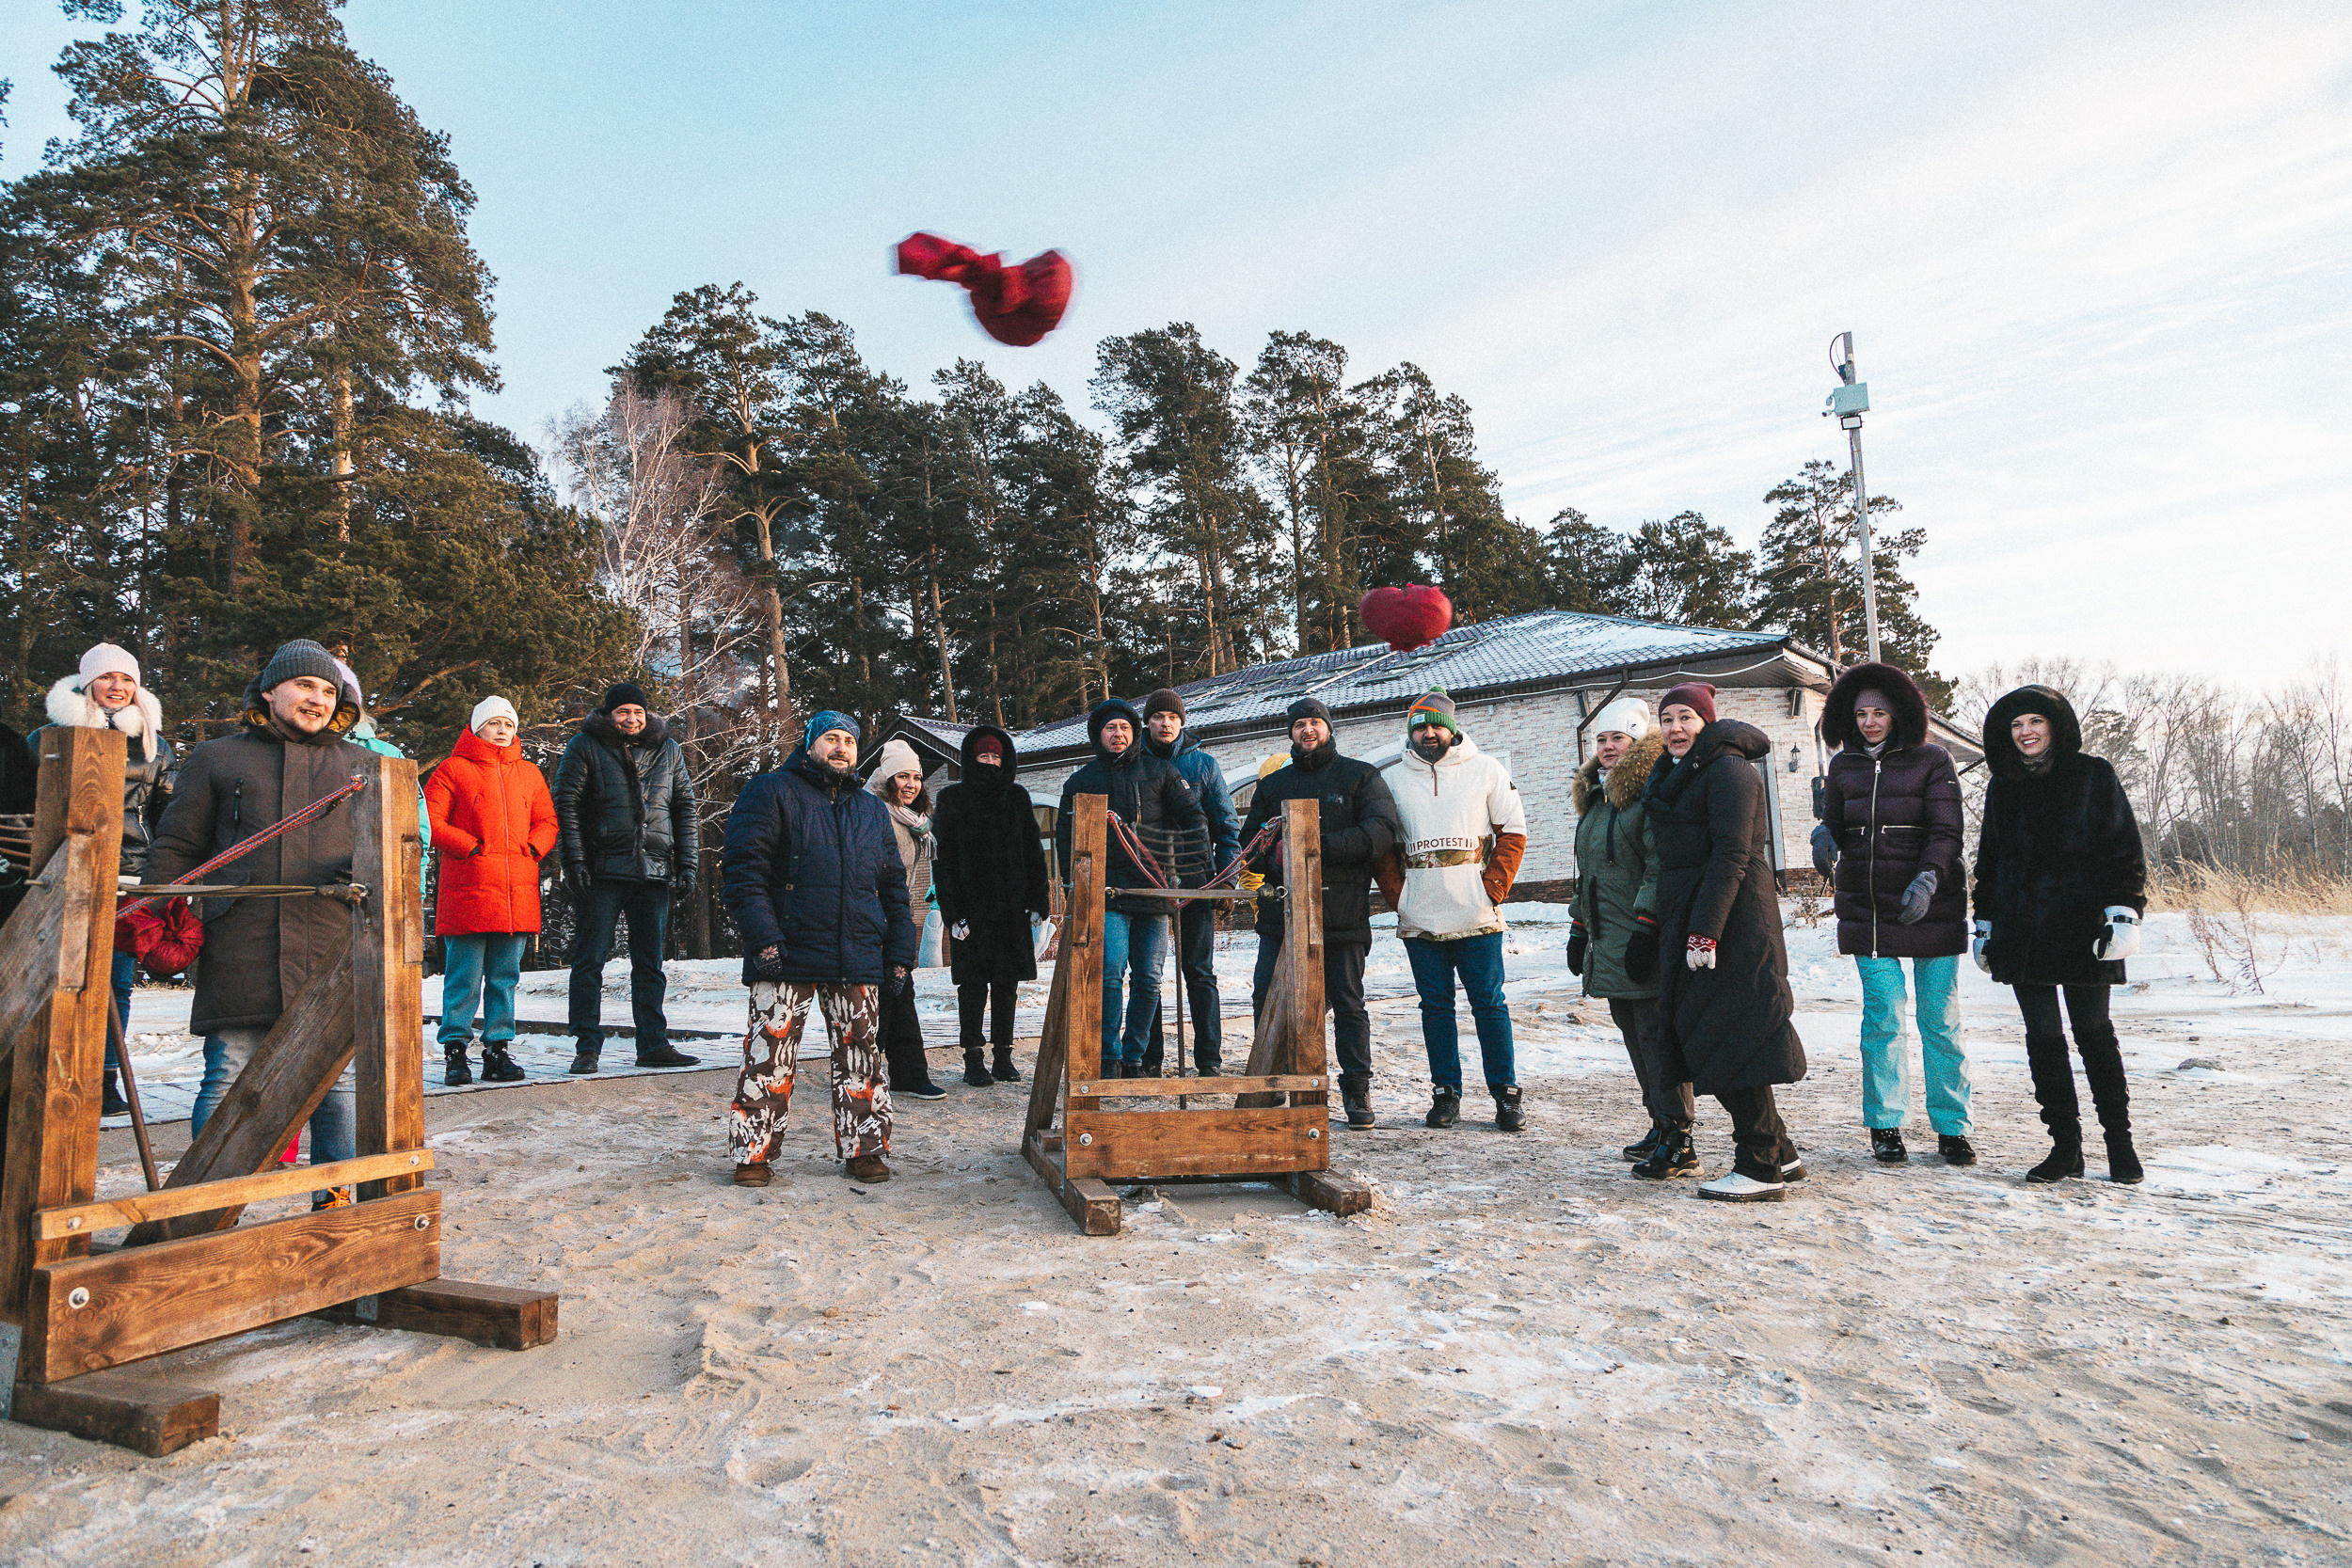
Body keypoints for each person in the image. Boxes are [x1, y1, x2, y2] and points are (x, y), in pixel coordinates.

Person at [146, 640, 366, 1203]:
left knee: (335, 1080)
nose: (317, 698)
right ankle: (207, 1205)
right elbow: (178, 842)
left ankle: (335, 1202)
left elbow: (394, 854)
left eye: (327, 689)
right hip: (242, 936)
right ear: (269, 691)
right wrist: (152, 913)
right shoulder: (218, 758)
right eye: (304, 685)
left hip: (330, 939)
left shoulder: (363, 767)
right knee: (229, 1072)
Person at [721, 710, 916, 1186]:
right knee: (769, 1056)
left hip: (858, 952)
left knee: (863, 1057)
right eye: (831, 738)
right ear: (810, 744)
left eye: (849, 741)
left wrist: (899, 951)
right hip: (786, 950)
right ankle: (753, 1154)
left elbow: (893, 887)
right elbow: (744, 872)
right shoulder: (770, 791)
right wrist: (763, 938)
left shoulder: (870, 810)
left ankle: (864, 1150)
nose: (841, 748)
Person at [1636, 682, 1807, 1200]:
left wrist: (1705, 932)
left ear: (1707, 722)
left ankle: (1758, 1167)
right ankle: (1782, 1152)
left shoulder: (1730, 771)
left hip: (1733, 922)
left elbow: (1732, 855)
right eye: (1666, 720)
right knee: (1715, 1032)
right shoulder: (1674, 774)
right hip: (1692, 913)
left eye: (1686, 717)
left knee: (1735, 1038)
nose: (1675, 728)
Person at [1973, 685, 2148, 1185]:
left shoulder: (2093, 775)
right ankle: (2065, 1147)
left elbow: (2124, 850)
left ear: (2055, 726)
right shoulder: (2002, 786)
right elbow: (1991, 862)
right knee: (2044, 1039)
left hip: (2084, 929)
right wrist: (1985, 925)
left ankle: (2120, 1144)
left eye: (2034, 722)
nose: (2025, 732)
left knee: (2094, 1035)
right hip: (2022, 930)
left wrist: (2123, 915)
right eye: (2015, 725)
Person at [1812, 662, 1975, 1167]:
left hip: (1931, 905)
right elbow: (1835, 823)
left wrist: (1928, 878)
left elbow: (1947, 832)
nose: (1870, 721)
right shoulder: (1843, 767)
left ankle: (1952, 1128)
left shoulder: (1934, 760)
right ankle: (1885, 1125)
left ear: (1899, 713)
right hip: (1868, 910)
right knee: (1882, 1019)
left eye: (1880, 711)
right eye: (1861, 712)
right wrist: (1825, 836)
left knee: (1939, 1021)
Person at [1239, 698, 1402, 1130]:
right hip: (1281, 916)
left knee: (1348, 1002)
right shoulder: (1274, 786)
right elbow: (1250, 845)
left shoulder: (1359, 775)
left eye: (1315, 723)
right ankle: (1271, 1079)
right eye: (1299, 725)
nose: (1307, 731)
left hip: (1341, 913)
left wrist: (1315, 848)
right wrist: (1277, 857)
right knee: (1267, 999)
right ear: (1290, 733)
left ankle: (1356, 1089)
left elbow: (1382, 831)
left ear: (1328, 728)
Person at [1375, 689, 1530, 1132]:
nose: (1428, 733)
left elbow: (1513, 831)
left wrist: (1492, 889)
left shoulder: (1485, 770)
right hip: (1421, 915)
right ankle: (1446, 1094)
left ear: (1452, 728)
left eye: (1436, 725)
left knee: (1489, 1004)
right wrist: (1398, 897)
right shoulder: (1394, 780)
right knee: (1436, 1007)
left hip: (1476, 915)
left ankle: (1506, 1096)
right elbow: (1384, 845)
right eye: (1419, 726)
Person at [31, 643, 172, 1116]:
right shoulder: (48, 737)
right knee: (57, 975)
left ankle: (106, 1078)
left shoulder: (155, 744)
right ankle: (49, 1069)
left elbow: (167, 811)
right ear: (87, 681)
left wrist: (160, 872)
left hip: (128, 872)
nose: (118, 687)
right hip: (62, 869)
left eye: (127, 679)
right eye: (107, 677)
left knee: (116, 982)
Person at [1056, 699, 1208, 1079]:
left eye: (1124, 727)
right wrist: (1073, 884)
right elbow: (1064, 839)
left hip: (1154, 893)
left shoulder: (1162, 773)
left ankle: (1134, 1057)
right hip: (1108, 896)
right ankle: (1107, 1056)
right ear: (1099, 734)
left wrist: (1190, 873)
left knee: (1149, 979)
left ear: (1134, 732)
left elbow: (1194, 818)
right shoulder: (1081, 782)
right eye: (1110, 728)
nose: (1118, 734)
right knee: (1109, 973)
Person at [553, 682, 699, 1075]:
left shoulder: (667, 750)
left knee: (650, 964)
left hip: (654, 871)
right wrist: (575, 862)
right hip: (602, 870)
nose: (631, 719)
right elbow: (565, 805)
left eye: (637, 712)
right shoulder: (585, 746)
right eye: (623, 712)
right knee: (589, 961)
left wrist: (687, 864)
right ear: (609, 715)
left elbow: (684, 807)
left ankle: (653, 1043)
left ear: (646, 714)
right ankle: (587, 1046)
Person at [1566, 696, 1687, 1166]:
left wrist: (1646, 926)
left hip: (1642, 938)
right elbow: (1590, 874)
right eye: (1602, 738)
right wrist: (1579, 927)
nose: (1609, 746)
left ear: (1638, 743)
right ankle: (1659, 1123)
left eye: (1619, 737)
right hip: (1609, 939)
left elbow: (1659, 868)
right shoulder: (1598, 801)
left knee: (1659, 1039)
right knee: (1635, 1037)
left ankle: (1679, 1136)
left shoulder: (1648, 796)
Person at [425, 695, 557, 1087]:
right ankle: (455, 1052)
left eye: (509, 725)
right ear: (476, 728)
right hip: (469, 887)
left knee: (505, 976)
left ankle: (497, 1050)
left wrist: (533, 848)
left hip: (516, 891)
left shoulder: (530, 774)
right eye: (494, 724)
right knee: (463, 977)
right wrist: (469, 846)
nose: (502, 731)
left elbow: (547, 819)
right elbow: (429, 820)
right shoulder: (453, 769)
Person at [931, 724, 1049, 1088]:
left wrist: (1037, 900)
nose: (990, 762)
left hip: (1010, 910)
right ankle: (973, 1058)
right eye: (983, 756)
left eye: (996, 756)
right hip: (971, 912)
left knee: (1006, 985)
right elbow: (943, 862)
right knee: (971, 987)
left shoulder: (1017, 797)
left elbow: (1034, 852)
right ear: (970, 758)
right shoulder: (952, 799)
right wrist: (953, 914)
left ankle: (1003, 1056)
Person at [1137, 689, 1241, 1077]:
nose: (1166, 723)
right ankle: (1150, 1059)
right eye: (1158, 716)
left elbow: (1227, 826)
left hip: (1197, 880)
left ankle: (1209, 1060)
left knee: (1199, 970)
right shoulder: (1134, 763)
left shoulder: (1204, 765)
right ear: (1147, 722)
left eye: (1173, 717)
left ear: (1182, 722)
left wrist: (1226, 881)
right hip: (1146, 881)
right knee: (1148, 972)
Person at [864, 738, 946, 1100]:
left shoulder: (915, 823)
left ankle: (906, 1074)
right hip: (869, 914)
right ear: (886, 779)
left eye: (916, 777)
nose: (911, 784)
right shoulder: (871, 811)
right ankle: (870, 1072)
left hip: (897, 913)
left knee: (898, 991)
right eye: (902, 776)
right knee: (879, 994)